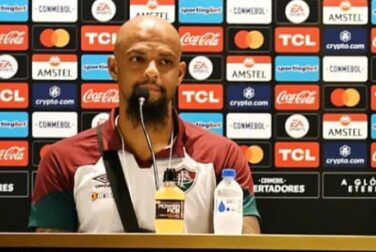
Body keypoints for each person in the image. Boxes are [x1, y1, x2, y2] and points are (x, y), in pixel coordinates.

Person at [29, 16, 261, 233]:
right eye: (137, 59)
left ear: (180, 74)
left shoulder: (221, 155)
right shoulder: (64, 159)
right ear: (113, 68)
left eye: (165, 61)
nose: (151, 71)